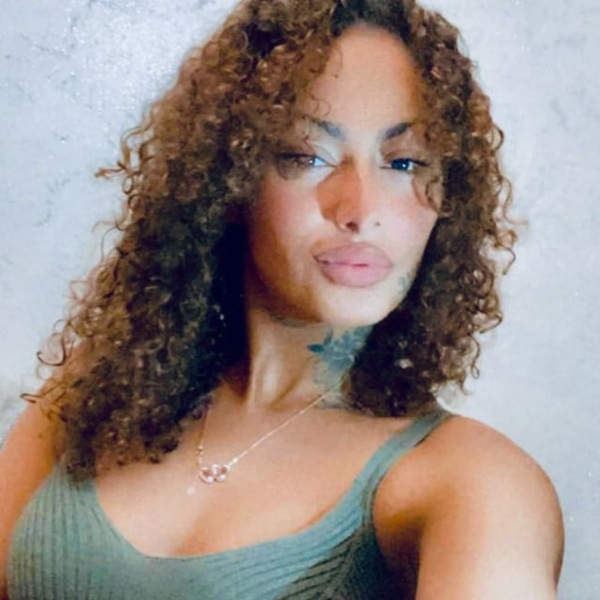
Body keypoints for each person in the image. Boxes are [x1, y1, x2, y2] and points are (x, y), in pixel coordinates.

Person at [0, 0, 563, 598]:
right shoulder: (83, 404)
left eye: (403, 162)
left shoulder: (473, 481)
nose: (360, 209)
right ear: (228, 179)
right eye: (307, 155)